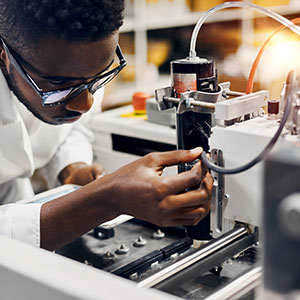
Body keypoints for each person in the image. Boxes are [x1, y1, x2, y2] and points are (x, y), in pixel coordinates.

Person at [0, 0, 213, 251]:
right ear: (4, 55)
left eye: (97, 77)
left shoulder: (76, 65)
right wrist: (106, 200)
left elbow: (75, 126)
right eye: (59, 84)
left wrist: (71, 168)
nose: (85, 103)